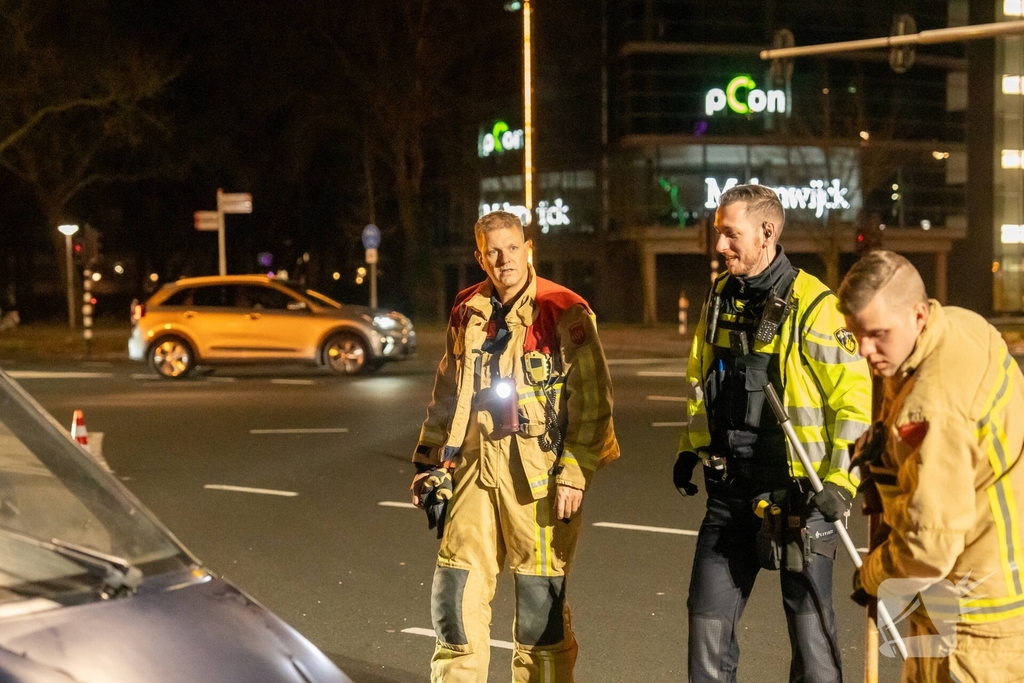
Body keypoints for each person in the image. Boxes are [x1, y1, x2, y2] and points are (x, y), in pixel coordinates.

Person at [674, 184, 873, 683]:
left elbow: (855, 402)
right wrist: (691, 447)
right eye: (717, 233)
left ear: (767, 232)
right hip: (730, 494)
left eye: (729, 234)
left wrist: (840, 483)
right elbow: (701, 380)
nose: (719, 246)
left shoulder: (815, 306)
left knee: (813, 645)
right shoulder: (719, 297)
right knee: (707, 625)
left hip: (801, 498)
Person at [410, 210, 619, 683]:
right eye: (493, 251)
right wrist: (429, 462)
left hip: (539, 476)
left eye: (513, 247)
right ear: (479, 256)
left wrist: (575, 471)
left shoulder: (564, 310)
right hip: (472, 470)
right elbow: (448, 389)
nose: (505, 259)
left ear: (529, 249)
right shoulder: (467, 309)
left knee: (538, 606)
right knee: (455, 594)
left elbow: (593, 400)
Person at [838, 250, 1024, 682]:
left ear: (918, 315)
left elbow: (927, 551)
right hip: (985, 584)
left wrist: (873, 574)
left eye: (878, 334)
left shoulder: (932, 409)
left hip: (973, 620)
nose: (865, 350)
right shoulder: (960, 326)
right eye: (857, 334)